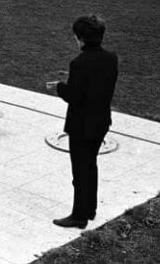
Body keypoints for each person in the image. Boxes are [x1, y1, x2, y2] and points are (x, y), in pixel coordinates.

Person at [46, 15, 119, 229]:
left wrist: (59, 86)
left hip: (81, 125)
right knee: (91, 165)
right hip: (101, 121)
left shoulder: (79, 63)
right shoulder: (111, 58)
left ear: (81, 39)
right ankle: (90, 208)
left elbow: (75, 96)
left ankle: (79, 216)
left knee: (80, 170)